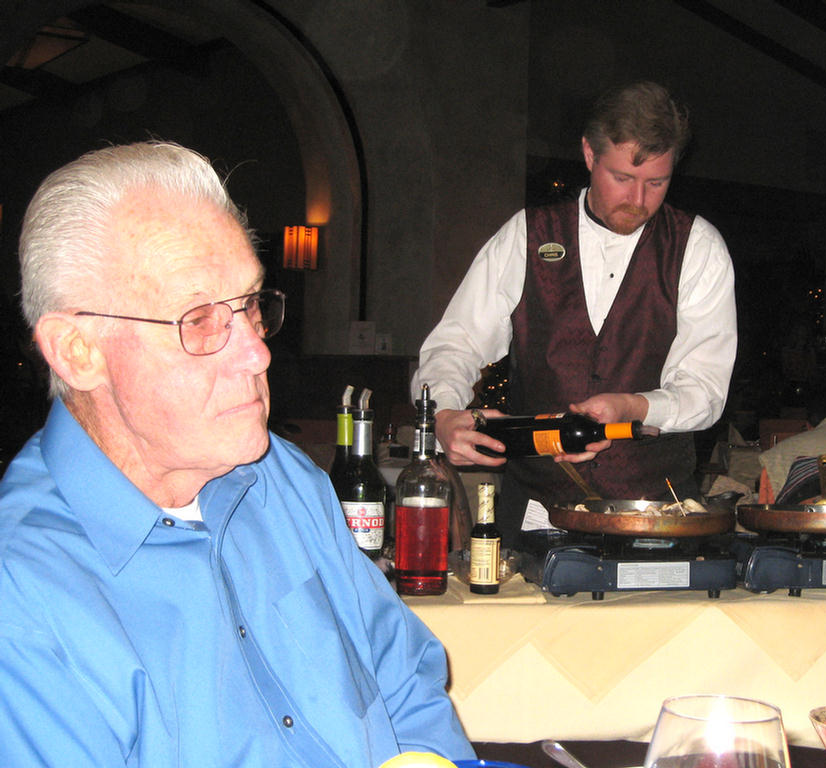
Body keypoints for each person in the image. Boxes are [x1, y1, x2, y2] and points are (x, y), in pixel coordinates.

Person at [0, 142, 473, 767]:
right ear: (77, 352)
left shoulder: (282, 476)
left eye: (250, 305)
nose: (257, 354)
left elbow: (405, 682)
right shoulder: (23, 598)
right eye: (198, 320)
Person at [412, 82, 737, 543]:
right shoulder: (527, 234)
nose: (639, 200)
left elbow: (705, 389)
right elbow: (455, 342)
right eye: (622, 178)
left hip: (657, 511)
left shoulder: (698, 247)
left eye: (657, 182)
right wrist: (443, 412)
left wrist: (634, 406)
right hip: (537, 511)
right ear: (588, 154)